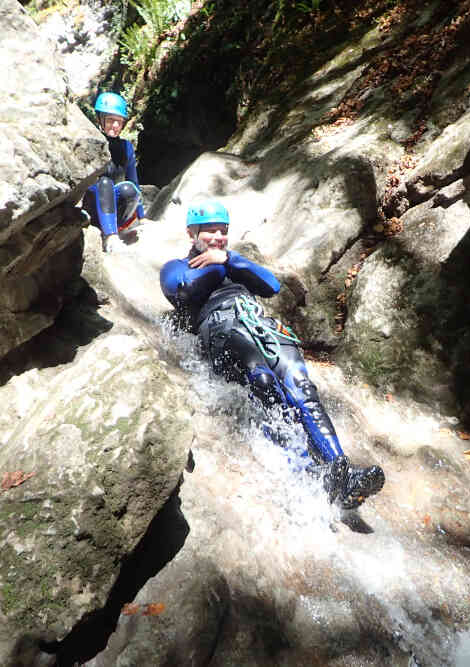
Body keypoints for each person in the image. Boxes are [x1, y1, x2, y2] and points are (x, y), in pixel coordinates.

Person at [160, 200, 385, 509]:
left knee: (302, 388)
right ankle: (309, 475)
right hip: (222, 329)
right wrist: (218, 264)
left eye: (223, 231)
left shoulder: (232, 261)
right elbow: (184, 292)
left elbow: (271, 285)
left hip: (259, 326)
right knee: (263, 382)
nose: (217, 236)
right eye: (210, 231)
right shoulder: (176, 266)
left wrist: (228, 258)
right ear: (191, 233)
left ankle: (341, 473)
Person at [82, 92, 145, 253]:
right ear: (100, 120)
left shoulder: (126, 147)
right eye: (110, 120)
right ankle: (110, 236)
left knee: (129, 189)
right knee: (104, 182)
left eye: (119, 122)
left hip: (113, 205)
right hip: (93, 202)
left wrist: (141, 216)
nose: (115, 126)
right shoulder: (92, 141)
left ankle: (116, 229)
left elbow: (133, 180)